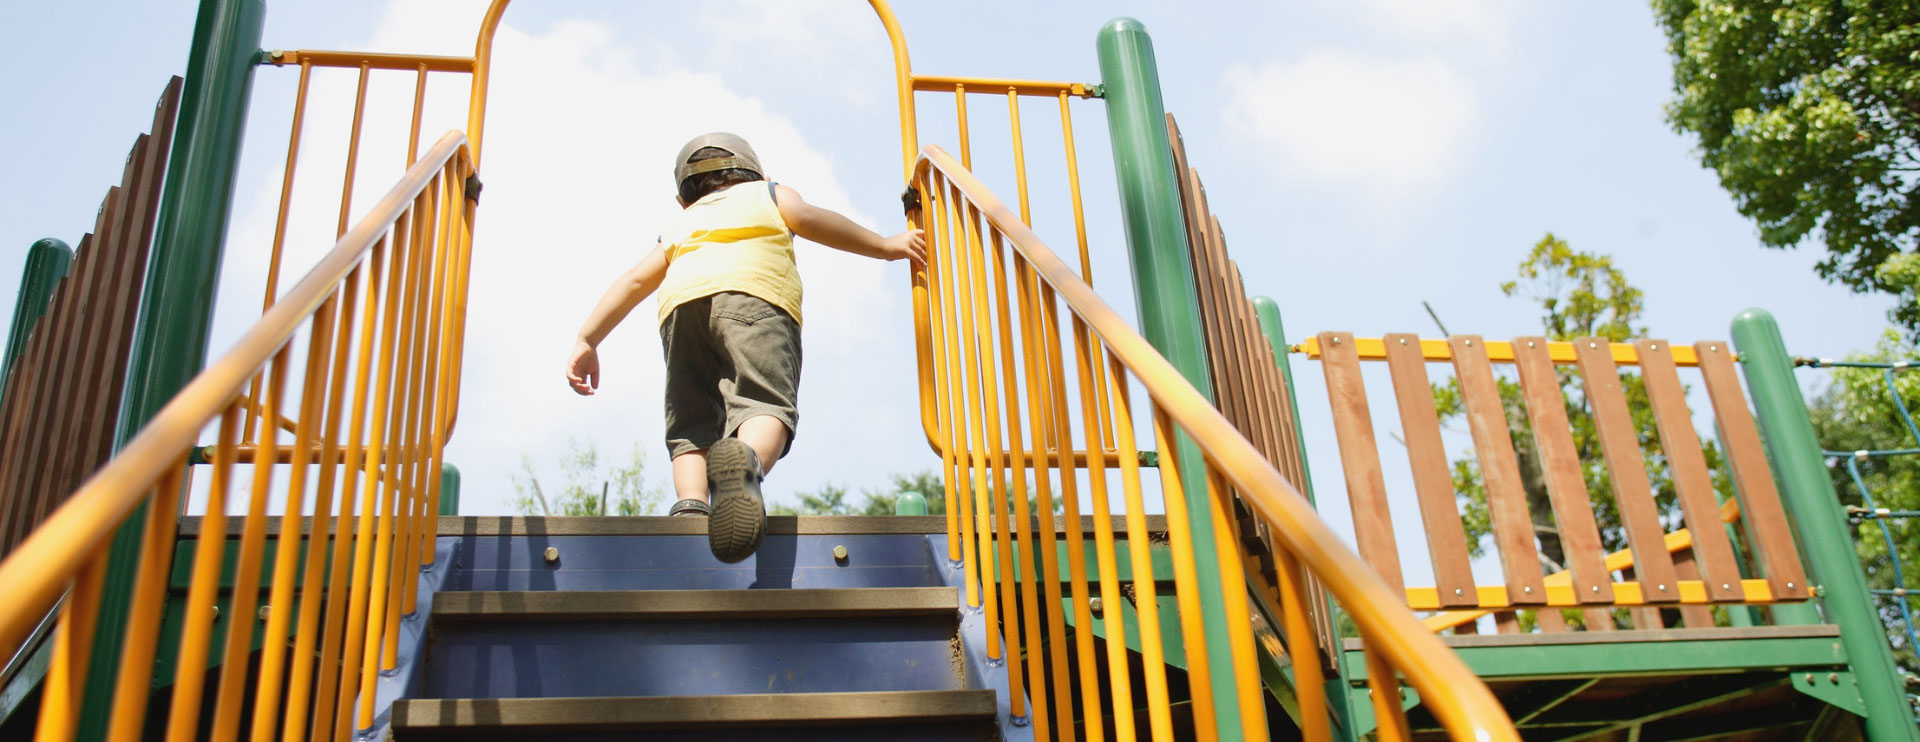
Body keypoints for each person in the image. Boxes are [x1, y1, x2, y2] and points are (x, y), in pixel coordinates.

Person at [565, 133, 925, 563]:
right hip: (754, 297)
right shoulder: (769, 194)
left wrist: (588, 339)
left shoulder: (680, 223)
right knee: (763, 403)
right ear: (759, 173)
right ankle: (745, 460)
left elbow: (635, 280)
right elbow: (811, 219)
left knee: (691, 421)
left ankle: (691, 505)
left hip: (681, 308)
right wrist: (885, 247)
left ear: (683, 199)